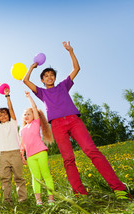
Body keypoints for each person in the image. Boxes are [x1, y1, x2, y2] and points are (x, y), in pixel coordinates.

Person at [23, 41, 131, 200]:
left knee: (91, 150)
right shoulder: (41, 93)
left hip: (73, 121)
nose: (49, 77)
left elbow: (76, 69)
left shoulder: (63, 86)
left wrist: (70, 51)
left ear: (55, 77)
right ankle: (81, 195)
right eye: (46, 76)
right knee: (68, 159)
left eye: (51, 75)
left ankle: (119, 189)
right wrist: (31, 68)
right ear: (42, 81)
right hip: (57, 126)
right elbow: (25, 81)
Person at [0, 81, 27, 204]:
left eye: (5, 114)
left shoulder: (13, 122)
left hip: (15, 153)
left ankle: (22, 200)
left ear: (9, 115)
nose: (3, 116)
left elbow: (11, 108)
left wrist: (7, 96)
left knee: (19, 178)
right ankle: (7, 202)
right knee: (5, 179)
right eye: (0, 115)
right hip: (4, 155)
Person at [20, 91, 55, 206]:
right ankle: (38, 200)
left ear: (34, 115)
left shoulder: (36, 122)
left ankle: (51, 198)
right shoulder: (22, 130)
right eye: (25, 114)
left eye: (28, 114)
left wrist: (29, 97)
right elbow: (22, 145)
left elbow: (34, 107)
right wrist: (22, 156)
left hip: (41, 152)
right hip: (30, 157)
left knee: (46, 175)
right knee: (35, 178)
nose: (26, 116)